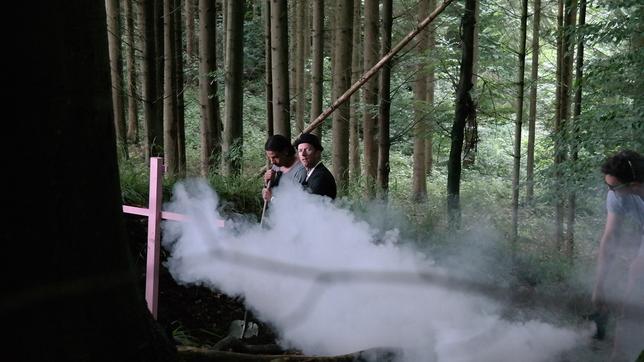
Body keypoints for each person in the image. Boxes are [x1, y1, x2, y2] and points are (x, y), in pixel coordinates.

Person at [591, 149, 644, 362]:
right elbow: (610, 237)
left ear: (634, 184)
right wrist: (599, 285)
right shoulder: (617, 195)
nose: (609, 191)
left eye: (613, 187)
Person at [262, 134, 306, 202]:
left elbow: (295, 204)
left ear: (285, 151)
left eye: (275, 157)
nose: (272, 162)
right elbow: (268, 193)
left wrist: (271, 198)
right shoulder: (277, 166)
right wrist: (268, 183)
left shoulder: (301, 171)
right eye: (269, 158)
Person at [293, 133, 337, 200]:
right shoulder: (310, 173)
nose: (303, 154)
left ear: (317, 153)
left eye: (307, 150)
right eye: (300, 150)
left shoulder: (321, 177)